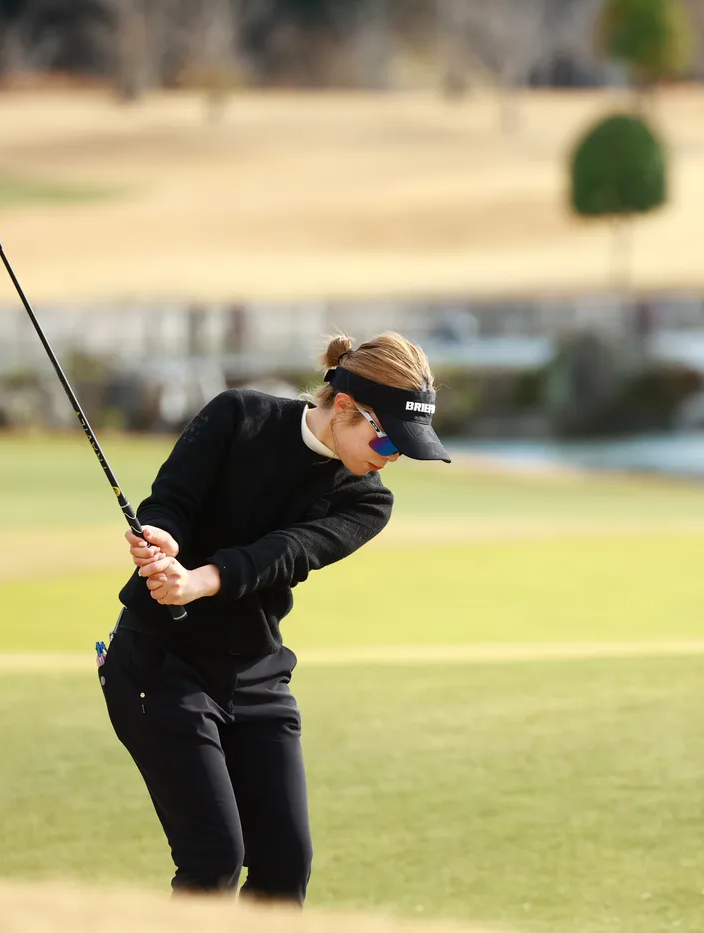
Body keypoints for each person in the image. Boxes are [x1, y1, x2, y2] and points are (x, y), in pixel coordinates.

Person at [96, 331, 449, 905]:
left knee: (285, 866)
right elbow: (174, 499)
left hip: (255, 672)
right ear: (344, 405)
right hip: (159, 663)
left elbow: (283, 552)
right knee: (213, 858)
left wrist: (199, 581)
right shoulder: (239, 415)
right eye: (387, 439)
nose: (391, 457)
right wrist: (162, 537)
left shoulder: (367, 500)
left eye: (404, 448)